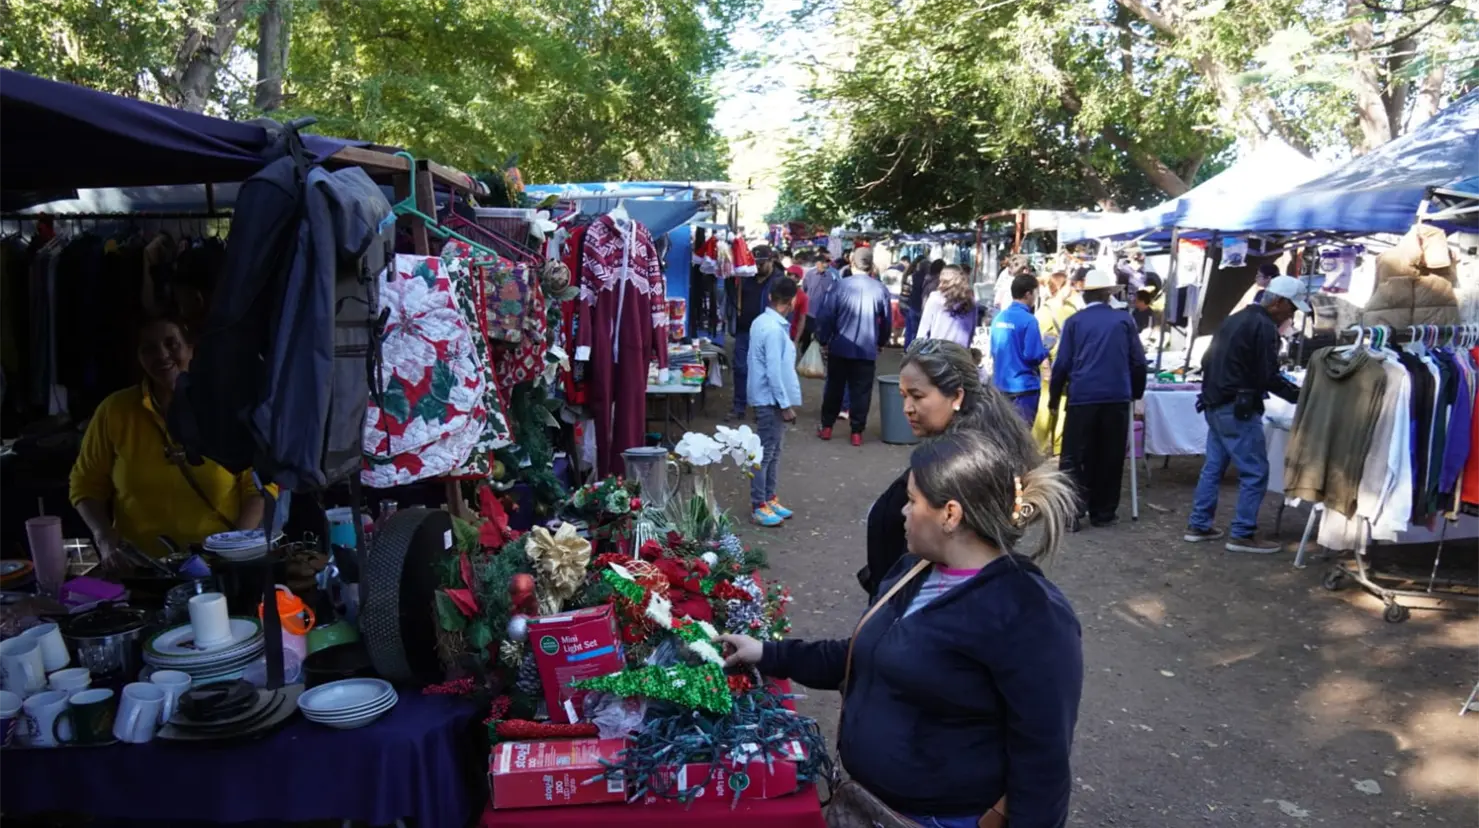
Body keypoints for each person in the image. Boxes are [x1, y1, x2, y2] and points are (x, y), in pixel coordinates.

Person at [718, 428, 1083, 828]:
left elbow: (1042, 763)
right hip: (868, 806)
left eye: (912, 501)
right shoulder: (914, 570)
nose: (902, 513)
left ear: (950, 515)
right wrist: (769, 653)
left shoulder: (1029, 613)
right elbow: (865, 654)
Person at [70, 316, 266, 561]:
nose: (161, 355)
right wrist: (104, 537)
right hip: (142, 567)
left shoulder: (224, 407)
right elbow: (85, 484)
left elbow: (259, 486)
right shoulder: (114, 410)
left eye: (171, 344)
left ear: (191, 348)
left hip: (218, 563)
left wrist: (235, 545)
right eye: (148, 349)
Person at [861, 339, 1036, 598]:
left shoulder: (965, 467)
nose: (907, 409)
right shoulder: (955, 451)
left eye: (917, 396)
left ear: (956, 396)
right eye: (903, 396)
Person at [1185, 275, 1307, 553]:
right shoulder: (1263, 327)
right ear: (1278, 302)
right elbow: (1267, 375)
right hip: (1236, 408)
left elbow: (1207, 360)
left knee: (1213, 467)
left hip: (1214, 403)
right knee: (1255, 471)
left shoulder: (1236, 319)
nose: (1292, 314)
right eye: (1292, 308)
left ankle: (1199, 524)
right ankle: (1242, 533)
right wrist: (1301, 396)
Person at [1049, 269, 1147, 529]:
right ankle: (1103, 511)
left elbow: (1062, 364)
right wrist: (1135, 392)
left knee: (1075, 455)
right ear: (1107, 295)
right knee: (1110, 454)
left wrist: (1054, 397)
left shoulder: (1075, 322)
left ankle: (1072, 511)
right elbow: (1138, 362)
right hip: (1116, 396)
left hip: (1083, 396)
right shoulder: (1124, 320)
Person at [816, 246, 891, 446]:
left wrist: (823, 339)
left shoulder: (839, 286)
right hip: (866, 349)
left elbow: (826, 315)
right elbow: (886, 321)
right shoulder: (880, 289)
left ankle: (827, 427)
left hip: (839, 346)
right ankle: (857, 431)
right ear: (871, 265)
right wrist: (882, 341)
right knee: (862, 391)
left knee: (834, 387)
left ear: (852, 263)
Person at [747, 278, 803, 528]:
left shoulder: (764, 323)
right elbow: (773, 371)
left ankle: (769, 497)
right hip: (770, 399)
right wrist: (785, 404)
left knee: (772, 452)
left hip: (768, 397)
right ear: (792, 301)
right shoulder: (772, 329)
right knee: (766, 453)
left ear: (771, 296)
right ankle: (759, 502)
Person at [729, 244, 781, 422]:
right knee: (740, 368)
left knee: (764, 371)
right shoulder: (747, 277)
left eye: (761, 264)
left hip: (767, 333)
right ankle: (739, 406)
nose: (757, 267)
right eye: (755, 263)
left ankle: (762, 409)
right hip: (744, 330)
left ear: (771, 260)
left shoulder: (778, 281)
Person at [990, 272, 1051, 423]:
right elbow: (1032, 355)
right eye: (1035, 293)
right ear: (1028, 294)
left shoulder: (998, 318)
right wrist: (1046, 348)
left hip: (1001, 385)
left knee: (1004, 435)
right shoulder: (1029, 321)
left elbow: (993, 350)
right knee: (1021, 436)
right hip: (1024, 389)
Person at [1033, 272, 1080, 455]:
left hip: (1068, 366)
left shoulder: (1071, 308)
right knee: (1045, 409)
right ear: (1060, 286)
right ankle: (1038, 449)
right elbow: (1039, 342)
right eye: (1069, 284)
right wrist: (1045, 367)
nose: (1072, 288)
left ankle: (1060, 449)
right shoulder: (1044, 313)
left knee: (1063, 409)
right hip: (1050, 366)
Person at [917, 264, 978, 348]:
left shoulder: (935, 298)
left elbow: (923, 330)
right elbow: (971, 332)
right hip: (961, 354)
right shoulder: (971, 302)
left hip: (937, 353)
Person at [901, 257, 927, 347]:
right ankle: (911, 350)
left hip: (907, 304)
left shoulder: (908, 276)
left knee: (909, 329)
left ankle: (907, 349)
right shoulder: (924, 278)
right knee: (915, 331)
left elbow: (905, 292)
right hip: (916, 306)